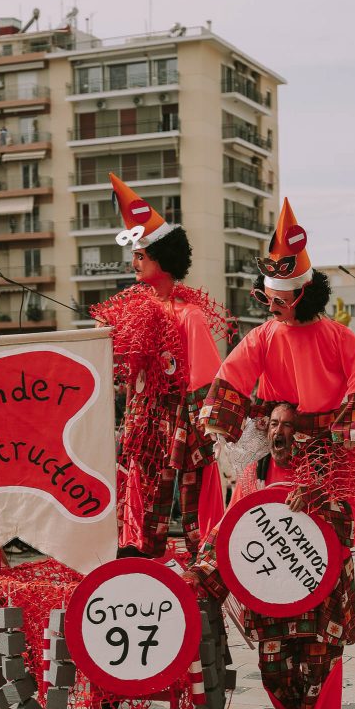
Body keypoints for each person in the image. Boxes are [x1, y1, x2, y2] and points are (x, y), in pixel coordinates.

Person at [200, 197, 355, 549]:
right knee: (246, 517)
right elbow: (233, 372)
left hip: (324, 451)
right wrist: (218, 422)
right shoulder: (263, 335)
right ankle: (226, 584)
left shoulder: (337, 337)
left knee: (326, 532)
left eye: (279, 301)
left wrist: (350, 432)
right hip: (274, 443)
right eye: (265, 299)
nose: (271, 308)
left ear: (305, 294)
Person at [185, 403, 355, 709]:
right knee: (273, 675)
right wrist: (200, 572)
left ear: (303, 433)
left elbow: (351, 521)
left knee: (320, 677)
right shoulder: (253, 475)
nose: (281, 433)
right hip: (272, 599)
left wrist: (318, 501)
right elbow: (232, 529)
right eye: (275, 424)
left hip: (320, 602)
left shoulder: (327, 473)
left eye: (290, 426)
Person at [92, 173, 235, 559]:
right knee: (139, 486)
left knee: (192, 490)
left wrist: (207, 430)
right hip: (141, 418)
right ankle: (137, 554)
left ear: (163, 260)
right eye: (135, 255)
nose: (135, 262)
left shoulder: (190, 315)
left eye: (142, 255)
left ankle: (205, 560)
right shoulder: (129, 312)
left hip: (180, 417)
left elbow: (206, 376)